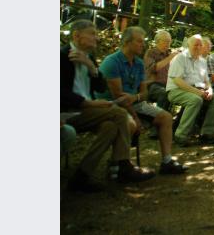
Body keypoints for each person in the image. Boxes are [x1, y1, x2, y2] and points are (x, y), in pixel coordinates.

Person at [61, 20, 155, 192]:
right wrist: (87, 103)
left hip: (86, 110)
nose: (96, 38)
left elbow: (100, 87)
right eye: (92, 34)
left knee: (109, 127)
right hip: (67, 112)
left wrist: (91, 67)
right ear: (76, 35)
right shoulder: (61, 57)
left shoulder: (88, 57)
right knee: (118, 114)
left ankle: (81, 176)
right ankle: (123, 166)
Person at [100, 27, 187, 174]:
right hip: (111, 106)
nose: (143, 44)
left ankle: (167, 161)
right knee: (131, 124)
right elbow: (119, 98)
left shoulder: (138, 63)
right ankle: (117, 165)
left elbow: (144, 93)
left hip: (135, 103)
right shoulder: (112, 62)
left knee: (165, 117)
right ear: (127, 42)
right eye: (139, 41)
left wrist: (136, 97)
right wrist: (135, 116)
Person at [166, 34, 214, 146]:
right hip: (176, 90)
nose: (198, 47)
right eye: (195, 44)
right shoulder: (180, 58)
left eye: (200, 45)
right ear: (188, 45)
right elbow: (177, 81)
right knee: (195, 100)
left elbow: (207, 81)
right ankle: (180, 136)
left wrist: (210, 90)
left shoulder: (202, 61)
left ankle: (206, 134)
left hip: (197, 90)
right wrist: (198, 92)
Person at [144, 30, 180, 113]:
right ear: (157, 41)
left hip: (168, 85)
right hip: (152, 85)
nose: (168, 43)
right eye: (165, 41)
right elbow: (153, 68)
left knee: (187, 94)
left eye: (169, 41)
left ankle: (177, 123)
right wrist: (170, 57)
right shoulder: (151, 52)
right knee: (165, 93)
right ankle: (159, 119)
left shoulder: (169, 54)